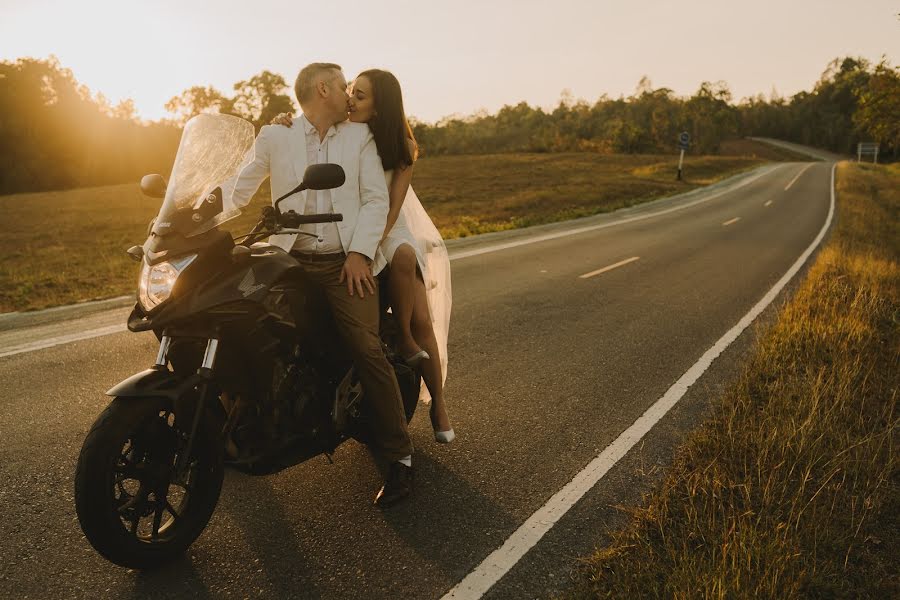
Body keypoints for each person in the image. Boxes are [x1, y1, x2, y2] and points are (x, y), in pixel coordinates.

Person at [230, 62, 412, 507]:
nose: (350, 92)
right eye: (343, 83)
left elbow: (374, 200)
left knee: (365, 348)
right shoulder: (277, 135)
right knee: (237, 324)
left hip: (340, 263)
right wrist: (191, 213)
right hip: (285, 260)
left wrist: (358, 254)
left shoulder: (358, 136)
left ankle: (400, 458)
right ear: (324, 88)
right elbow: (239, 187)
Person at [272, 69, 455, 443]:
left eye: (362, 95)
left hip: (386, 225)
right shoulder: (347, 129)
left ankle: (436, 399)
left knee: (414, 293)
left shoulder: (401, 146)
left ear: (380, 105)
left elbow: (389, 207)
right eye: (351, 91)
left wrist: (364, 249)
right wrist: (284, 124)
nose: (351, 99)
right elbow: (310, 125)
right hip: (352, 226)